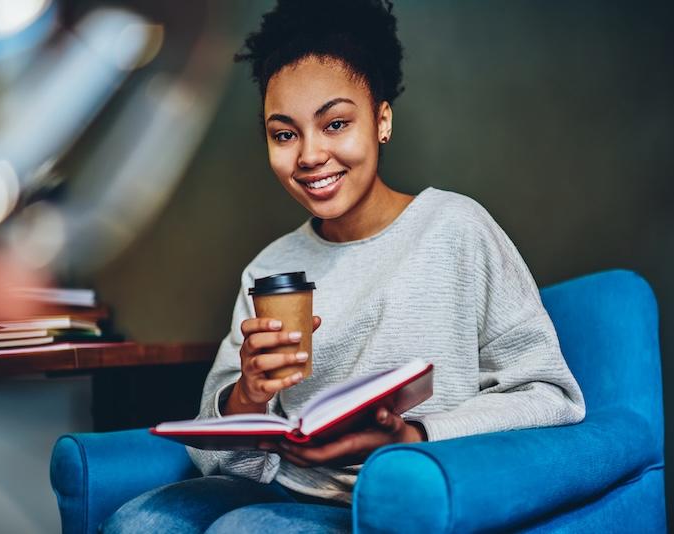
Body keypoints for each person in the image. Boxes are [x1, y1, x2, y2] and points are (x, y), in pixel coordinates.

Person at [103, 1, 585, 532]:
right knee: (137, 523)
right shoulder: (269, 269)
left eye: (334, 124)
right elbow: (221, 458)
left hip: (403, 499)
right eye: (284, 134)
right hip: (286, 488)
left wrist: (415, 439)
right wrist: (249, 395)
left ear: (381, 120)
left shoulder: (456, 229)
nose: (309, 155)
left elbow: (551, 397)